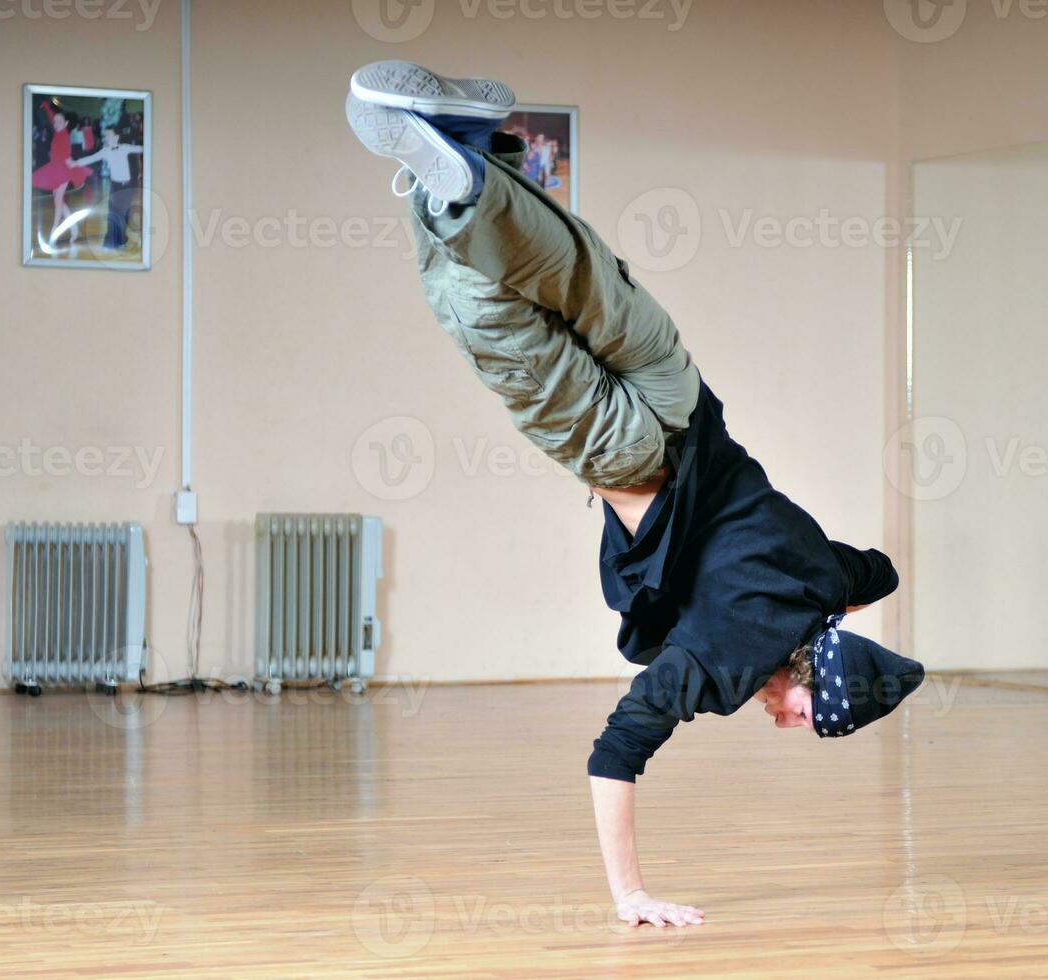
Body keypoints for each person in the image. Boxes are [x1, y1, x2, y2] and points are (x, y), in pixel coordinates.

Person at [345, 60, 925, 930]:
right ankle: (447, 196)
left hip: (679, 391)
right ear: (813, 676)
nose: (785, 725)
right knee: (485, 317)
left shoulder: (825, 583)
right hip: (623, 457)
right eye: (806, 717)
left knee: (580, 273)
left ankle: (473, 160)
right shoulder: (726, 660)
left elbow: (876, 568)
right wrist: (631, 895)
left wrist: (878, 581)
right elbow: (615, 754)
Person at [30, 101, 93, 249]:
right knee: (58, 201)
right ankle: (74, 229)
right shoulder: (58, 131)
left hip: (63, 170)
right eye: (55, 121)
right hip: (54, 169)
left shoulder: (63, 135)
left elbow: (65, 154)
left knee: (58, 201)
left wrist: (70, 161)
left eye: (60, 122)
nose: (56, 123)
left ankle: (54, 232)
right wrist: (46, 107)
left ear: (66, 124)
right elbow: (53, 117)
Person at [72, 126, 143, 250]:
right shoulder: (105, 151)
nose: (106, 138)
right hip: (115, 186)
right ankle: (111, 242)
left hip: (126, 187)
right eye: (105, 136)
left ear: (116, 137)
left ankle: (121, 241)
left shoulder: (124, 147)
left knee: (124, 215)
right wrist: (76, 162)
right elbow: (91, 158)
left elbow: (140, 149)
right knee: (113, 214)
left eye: (108, 135)